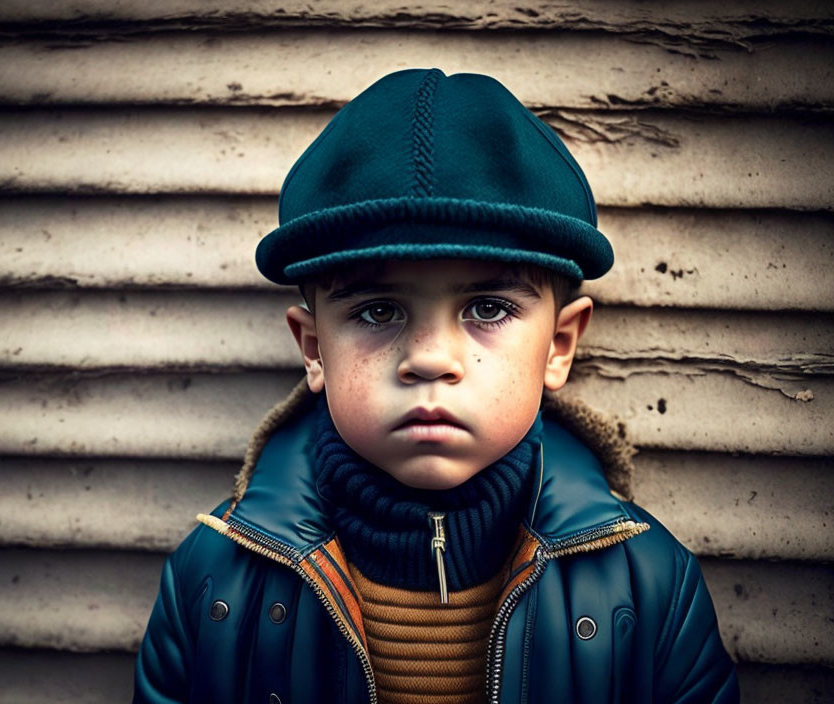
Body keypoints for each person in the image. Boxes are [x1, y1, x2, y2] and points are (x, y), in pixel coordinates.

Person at [133, 68, 738, 703]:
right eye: (377, 311)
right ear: (314, 350)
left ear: (559, 346)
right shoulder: (214, 581)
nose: (429, 360)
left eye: (487, 309)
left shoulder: (648, 584)